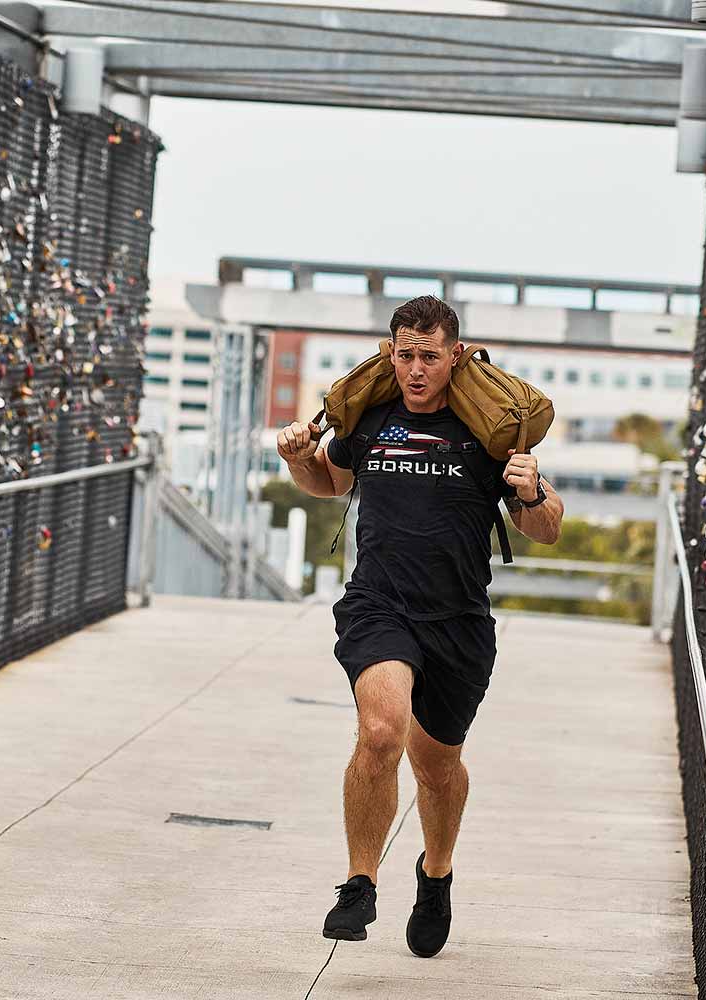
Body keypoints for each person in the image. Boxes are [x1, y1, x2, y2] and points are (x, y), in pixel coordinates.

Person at [277, 295, 564, 958]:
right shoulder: (371, 418)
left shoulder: (487, 430)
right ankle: (359, 883)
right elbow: (327, 482)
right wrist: (295, 455)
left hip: (459, 620)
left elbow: (545, 528)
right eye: (404, 354)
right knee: (381, 734)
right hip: (379, 605)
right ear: (390, 353)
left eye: (429, 356)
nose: (415, 368)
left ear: (454, 355)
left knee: (438, 768)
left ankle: (435, 874)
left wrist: (529, 489)